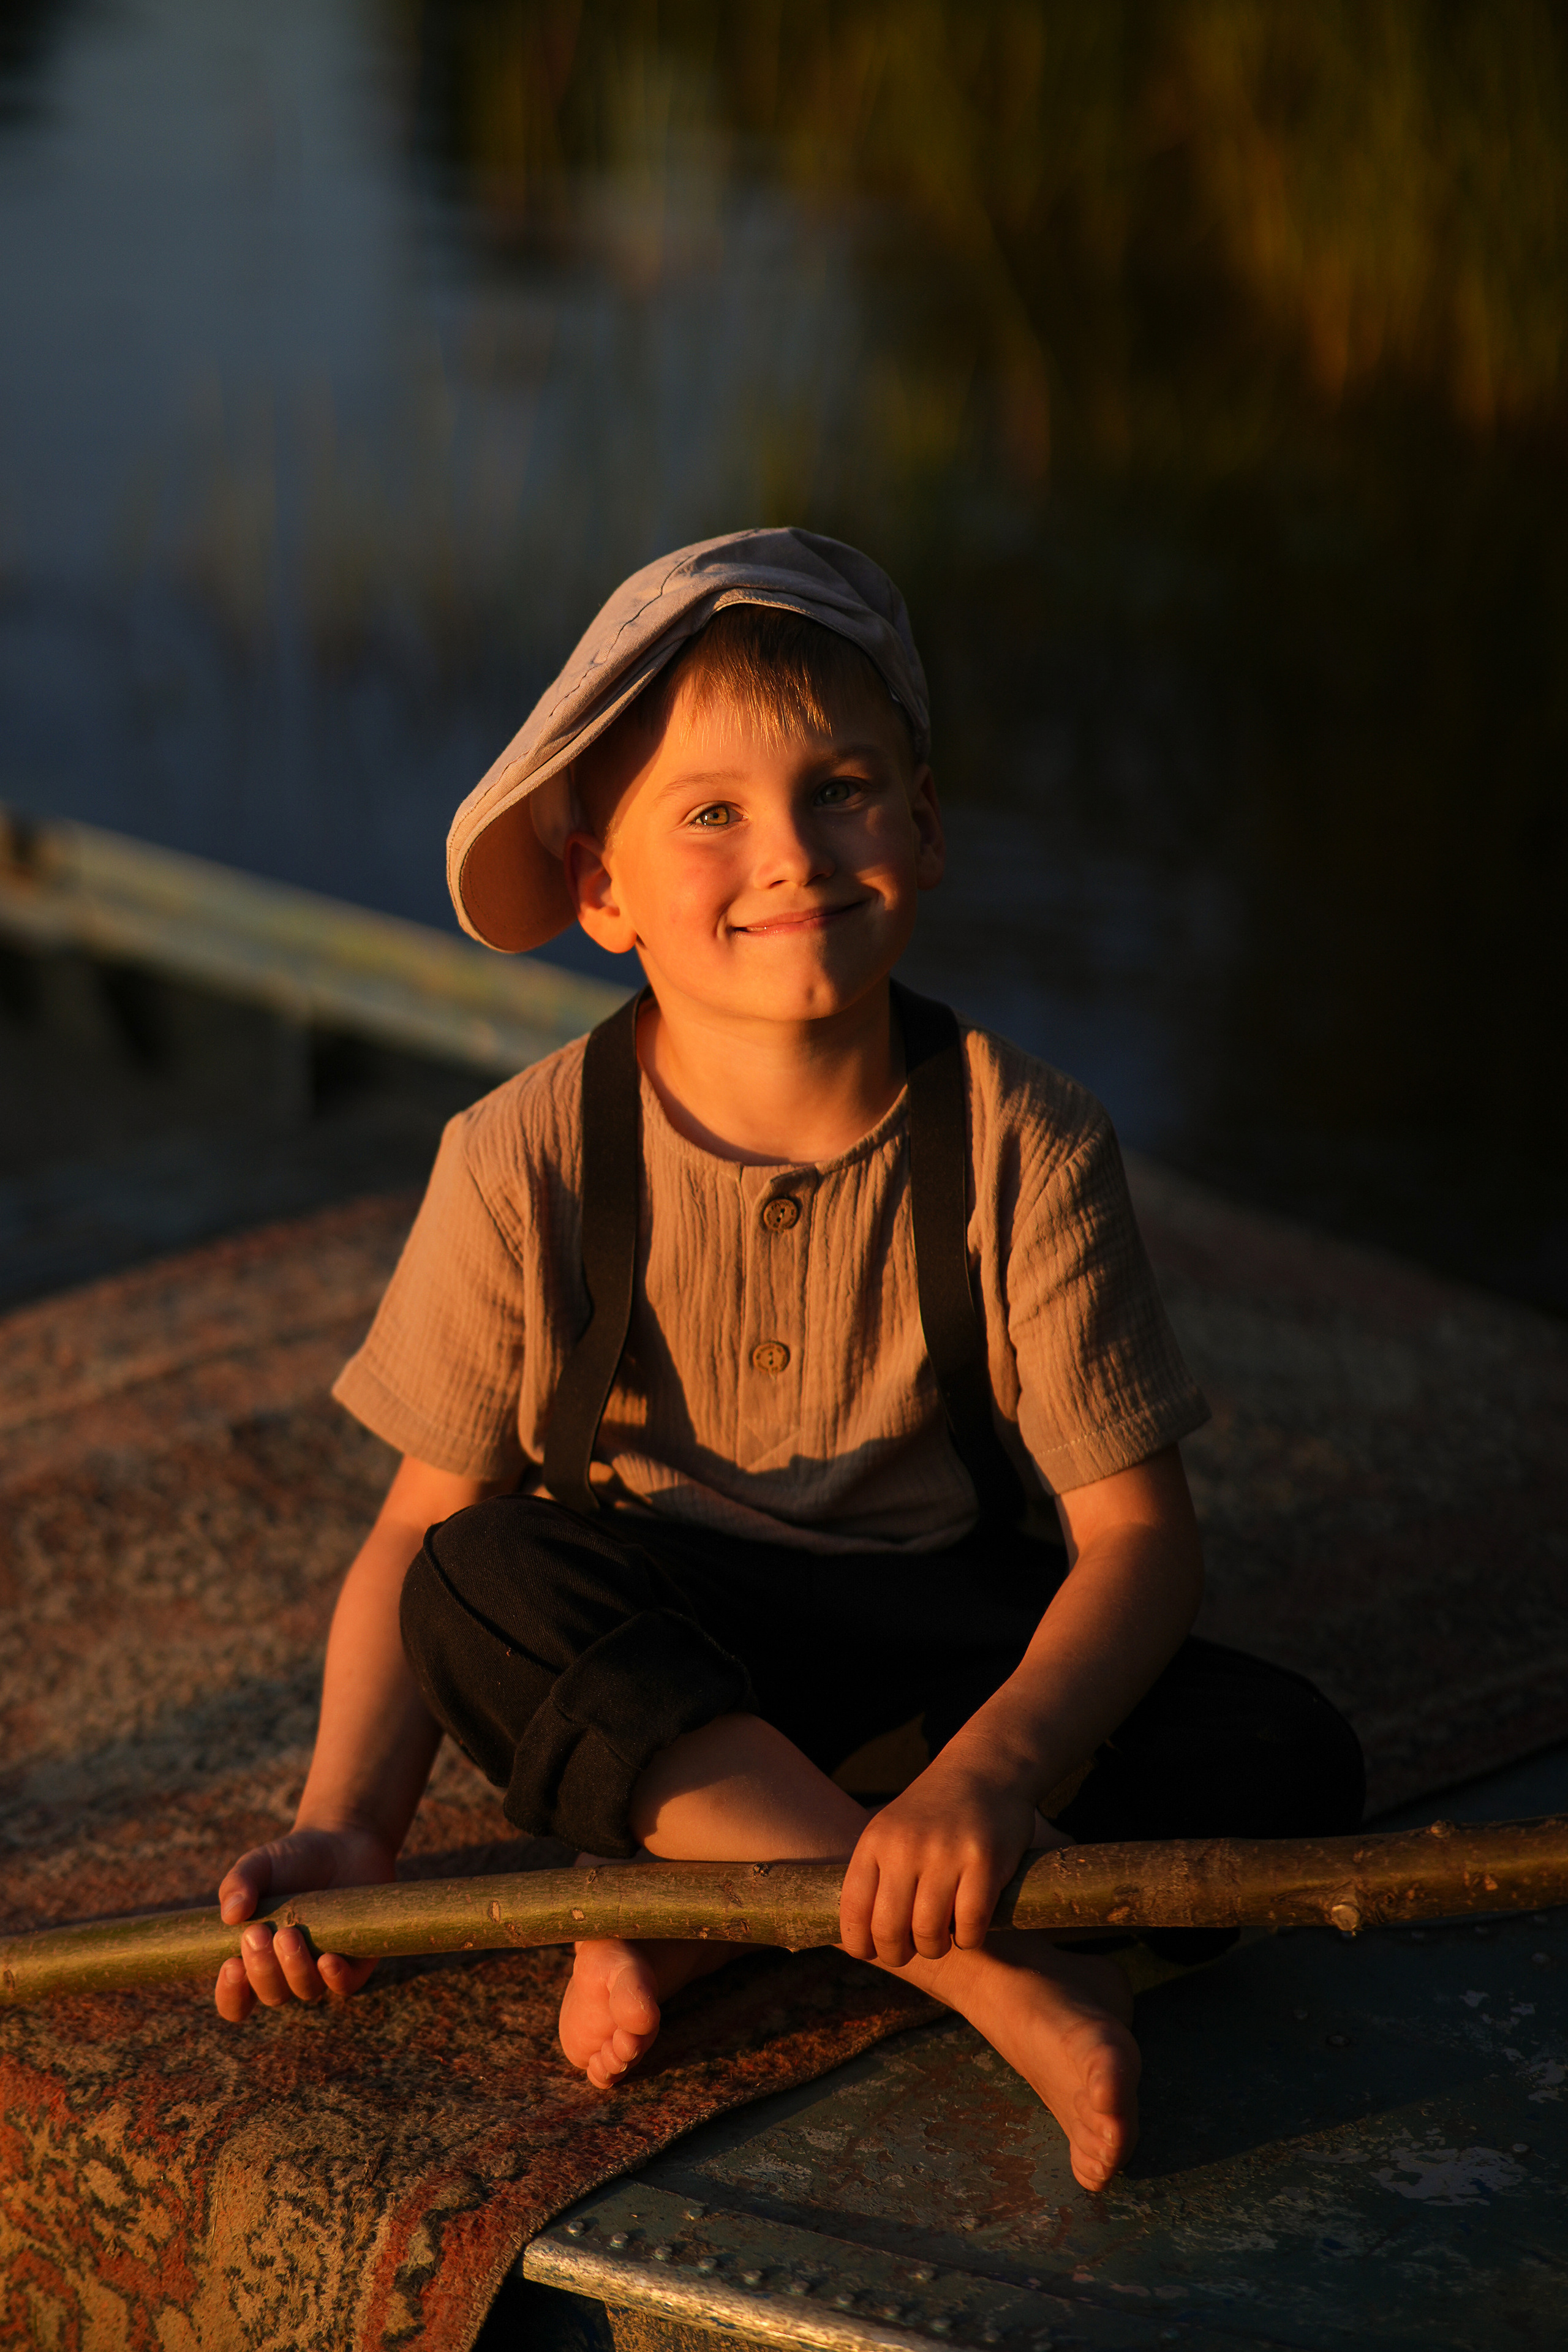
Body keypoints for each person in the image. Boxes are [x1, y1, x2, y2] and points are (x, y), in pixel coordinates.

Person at [212, 529, 1363, 2192]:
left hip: (928, 1664)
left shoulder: (1025, 1142)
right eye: (711, 816)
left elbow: (1140, 1545)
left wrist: (988, 1778)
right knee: (473, 1582)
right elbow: (417, 1531)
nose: (793, 854)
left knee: (1288, 1761)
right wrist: (350, 1832)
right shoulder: (523, 1156)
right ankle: (972, 1970)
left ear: (925, 825)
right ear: (602, 889)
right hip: (671, 1657)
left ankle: (721, 1913)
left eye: (840, 787)